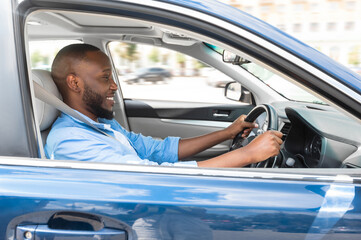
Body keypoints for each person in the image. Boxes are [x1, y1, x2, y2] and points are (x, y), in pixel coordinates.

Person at [45, 43, 283, 168]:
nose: (115, 87)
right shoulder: (70, 140)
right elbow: (150, 176)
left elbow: (158, 151)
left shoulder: (102, 124)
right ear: (74, 83)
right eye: (105, 77)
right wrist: (248, 153)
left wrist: (226, 133)